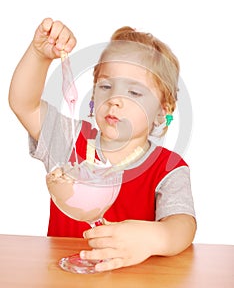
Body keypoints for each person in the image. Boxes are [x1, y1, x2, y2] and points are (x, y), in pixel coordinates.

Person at [9, 18, 196, 272]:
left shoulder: (167, 168)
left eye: (135, 93)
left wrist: (156, 237)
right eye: (106, 86)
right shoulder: (70, 142)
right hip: (64, 279)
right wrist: (39, 55)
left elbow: (183, 224)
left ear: (163, 109)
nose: (115, 100)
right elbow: (24, 103)